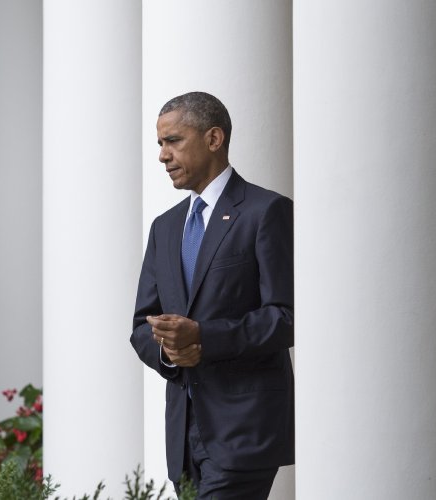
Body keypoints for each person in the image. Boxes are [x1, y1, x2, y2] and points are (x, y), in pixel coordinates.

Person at [131, 91, 294, 500]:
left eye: (173, 141)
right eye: (160, 144)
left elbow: (287, 316)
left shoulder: (266, 211)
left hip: (244, 430)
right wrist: (170, 352)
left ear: (214, 138)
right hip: (184, 439)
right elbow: (141, 325)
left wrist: (203, 338)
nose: (163, 155)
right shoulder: (164, 228)